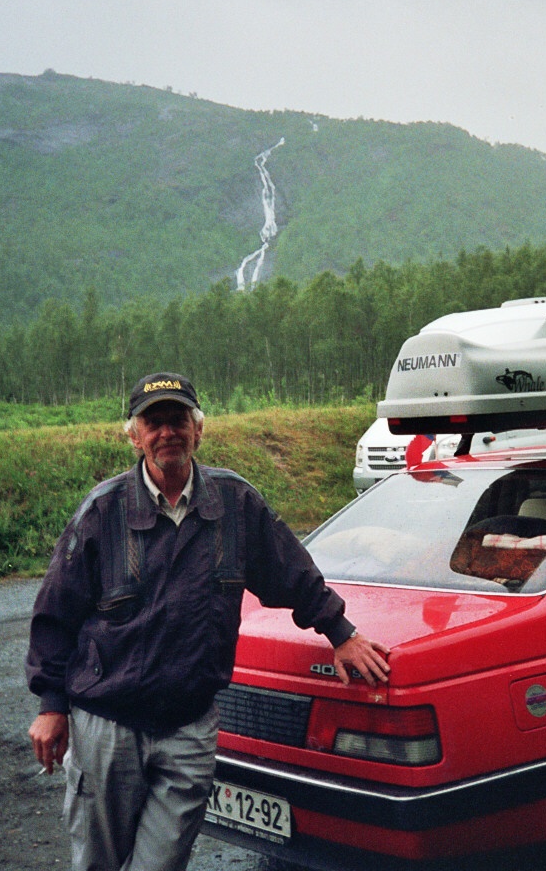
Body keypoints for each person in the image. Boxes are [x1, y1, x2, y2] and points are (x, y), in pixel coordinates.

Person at [26, 372, 390, 871]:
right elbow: (55, 614)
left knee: (162, 863)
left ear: (198, 430)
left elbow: (291, 573)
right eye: (154, 422)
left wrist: (340, 633)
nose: (167, 433)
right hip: (108, 726)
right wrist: (51, 704)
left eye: (178, 420)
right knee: (98, 863)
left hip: (189, 727)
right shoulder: (102, 511)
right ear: (134, 436)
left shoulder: (235, 503)